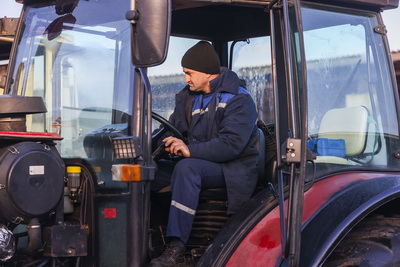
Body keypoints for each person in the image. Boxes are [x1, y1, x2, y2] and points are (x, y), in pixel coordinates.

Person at [150, 41, 259, 267]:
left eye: (189, 73)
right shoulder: (189, 97)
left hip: (232, 168)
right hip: (201, 161)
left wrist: (189, 149)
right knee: (149, 171)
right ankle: (149, 237)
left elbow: (231, 145)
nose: (185, 79)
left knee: (186, 168)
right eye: (184, 73)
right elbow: (172, 129)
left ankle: (176, 246)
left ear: (208, 74)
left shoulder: (239, 99)